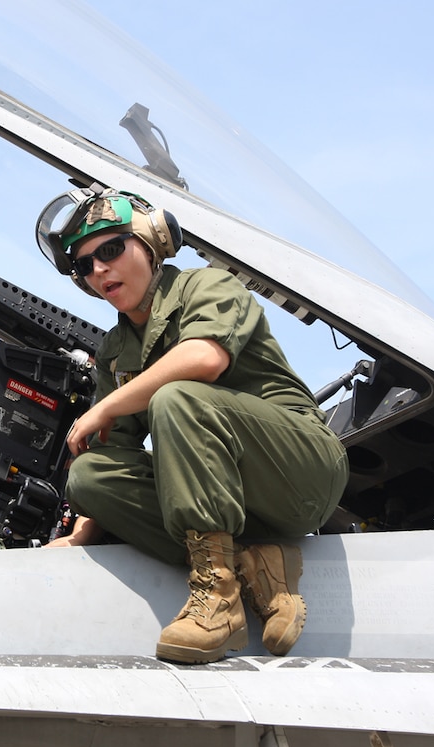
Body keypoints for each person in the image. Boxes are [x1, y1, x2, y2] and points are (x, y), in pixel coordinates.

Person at [35, 186, 349, 664]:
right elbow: (113, 453)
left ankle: (218, 598)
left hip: (300, 473)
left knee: (176, 397)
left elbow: (204, 357)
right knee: (89, 476)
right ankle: (251, 565)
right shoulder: (116, 351)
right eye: (85, 264)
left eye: (111, 249)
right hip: (230, 503)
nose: (98, 270)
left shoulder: (208, 286)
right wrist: (82, 535)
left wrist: (106, 405)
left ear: (152, 243)